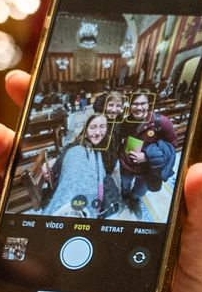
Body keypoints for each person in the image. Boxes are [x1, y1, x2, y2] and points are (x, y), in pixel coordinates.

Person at [115, 89, 179, 218]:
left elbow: (172, 146)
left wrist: (146, 156)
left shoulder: (161, 122)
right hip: (127, 165)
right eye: (135, 104)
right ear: (130, 106)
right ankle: (124, 196)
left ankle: (134, 200)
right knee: (125, 185)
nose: (139, 108)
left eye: (143, 103)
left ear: (149, 104)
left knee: (140, 189)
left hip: (147, 169)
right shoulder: (126, 122)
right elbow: (119, 140)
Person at [44, 113, 118, 218]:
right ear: (85, 132)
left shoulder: (104, 146)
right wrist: (69, 207)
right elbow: (76, 173)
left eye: (102, 127)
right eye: (92, 127)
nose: (97, 132)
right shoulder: (78, 149)